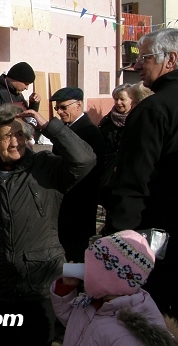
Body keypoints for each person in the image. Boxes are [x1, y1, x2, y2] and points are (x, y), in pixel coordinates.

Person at [0, 103, 95, 346]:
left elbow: (85, 159)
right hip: (0, 283)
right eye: (6, 136)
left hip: (40, 280)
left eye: (19, 134)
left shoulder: (46, 166)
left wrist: (49, 126)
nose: (15, 142)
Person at [103, 28, 178, 324]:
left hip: (159, 243)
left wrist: (117, 245)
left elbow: (133, 184)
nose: (136, 65)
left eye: (144, 57)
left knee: (151, 322)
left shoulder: (154, 109)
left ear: (170, 59)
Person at [51, 230, 177, 345]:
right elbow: (74, 324)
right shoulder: (93, 301)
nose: (85, 269)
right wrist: (65, 290)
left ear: (106, 278)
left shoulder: (127, 336)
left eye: (90, 266)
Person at [50, 86, 105, 262]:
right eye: (57, 108)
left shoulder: (89, 131)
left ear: (78, 105)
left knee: (76, 248)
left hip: (79, 200)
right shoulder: (67, 127)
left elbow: (91, 171)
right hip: (66, 197)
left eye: (63, 107)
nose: (59, 111)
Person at [0, 62, 40, 162]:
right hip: (0, 154)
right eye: (26, 84)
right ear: (16, 78)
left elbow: (26, 119)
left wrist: (34, 104)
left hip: (18, 148)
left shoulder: (17, 93)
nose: (27, 88)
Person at [98, 84, 133, 208]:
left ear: (132, 99)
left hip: (129, 173)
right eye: (116, 99)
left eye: (122, 99)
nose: (118, 103)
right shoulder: (107, 121)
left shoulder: (137, 119)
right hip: (108, 171)